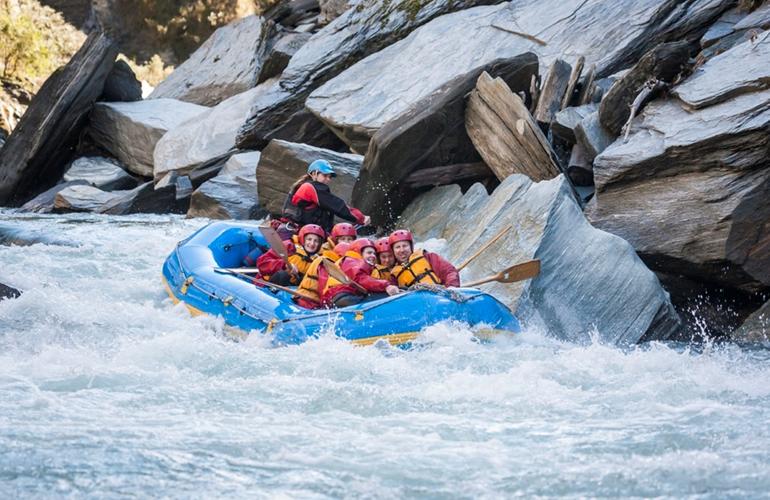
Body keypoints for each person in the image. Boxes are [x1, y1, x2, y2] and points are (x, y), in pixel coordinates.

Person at [282, 159, 371, 234]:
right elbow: (337, 205)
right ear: (314, 174)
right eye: (325, 176)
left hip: (298, 229)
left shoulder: (303, 186)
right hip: (303, 232)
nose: (328, 180)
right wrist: (361, 218)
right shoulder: (311, 187)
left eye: (329, 177)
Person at [322, 238, 400, 308]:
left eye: (374, 253)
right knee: (385, 297)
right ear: (358, 252)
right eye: (369, 253)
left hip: (338, 297)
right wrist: (386, 285)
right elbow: (360, 278)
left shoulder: (349, 261)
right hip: (343, 296)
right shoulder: (352, 260)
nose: (373, 256)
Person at [388, 229, 460, 288]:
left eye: (405, 246)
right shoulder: (394, 275)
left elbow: (449, 271)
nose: (402, 250)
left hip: (438, 295)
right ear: (393, 251)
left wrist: (452, 286)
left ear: (411, 247)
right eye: (397, 247)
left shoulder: (428, 257)